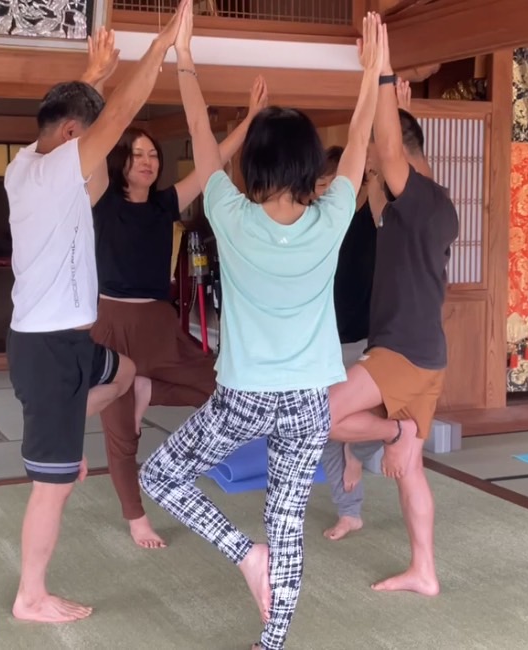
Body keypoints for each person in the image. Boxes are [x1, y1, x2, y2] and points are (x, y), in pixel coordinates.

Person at [138, 7, 384, 650]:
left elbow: (197, 130)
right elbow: (359, 142)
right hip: (308, 402)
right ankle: (272, 641)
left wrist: (183, 60)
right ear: (307, 166)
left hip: (245, 396)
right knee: (289, 520)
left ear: (253, 164)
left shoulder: (228, 212)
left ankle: (246, 556)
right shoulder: (331, 218)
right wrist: (373, 76)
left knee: (160, 476)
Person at [2, 5, 189, 624]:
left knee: (125, 371)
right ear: (72, 140)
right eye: (91, 140)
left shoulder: (22, 165)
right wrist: (159, 47)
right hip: (50, 348)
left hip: (65, 343)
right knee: (51, 492)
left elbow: (80, 116)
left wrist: (94, 73)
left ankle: (59, 430)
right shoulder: (56, 169)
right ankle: (31, 594)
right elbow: (116, 118)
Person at [89, 79, 269, 550]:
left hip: (157, 325)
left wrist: (249, 118)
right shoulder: (103, 201)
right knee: (120, 428)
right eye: (138, 154)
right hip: (112, 324)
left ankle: (149, 384)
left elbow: (210, 163)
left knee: (219, 386)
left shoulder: (166, 202)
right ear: (121, 162)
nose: (148, 161)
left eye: (153, 155)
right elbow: (96, 141)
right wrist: (101, 89)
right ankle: (135, 517)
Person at [326, 34, 460, 599]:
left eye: (384, 158)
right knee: (413, 471)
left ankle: (395, 432)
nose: (377, 171)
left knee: (314, 417)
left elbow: (389, 151)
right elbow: (381, 190)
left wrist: (380, 73)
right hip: (422, 353)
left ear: (399, 154)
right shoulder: (427, 204)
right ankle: (423, 569)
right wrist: (395, 102)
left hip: (401, 352)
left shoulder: (422, 196)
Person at [319, 81, 415, 543]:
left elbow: (390, 172)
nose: (325, 191)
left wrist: (394, 113)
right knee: (322, 429)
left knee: (340, 423)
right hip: (321, 341)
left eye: (333, 181)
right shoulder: (315, 224)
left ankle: (364, 450)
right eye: (319, 184)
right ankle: (349, 508)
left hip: (362, 336)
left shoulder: (368, 212)